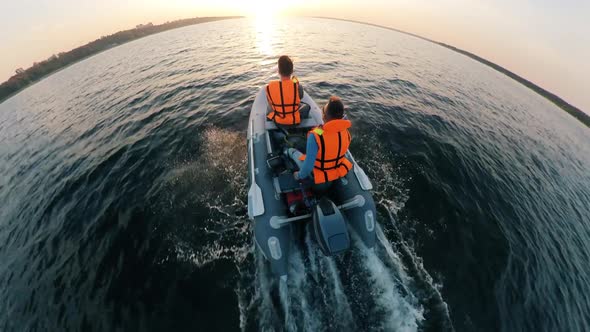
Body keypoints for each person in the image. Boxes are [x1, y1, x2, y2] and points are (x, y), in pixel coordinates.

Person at [286, 96, 353, 188]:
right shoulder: (346, 132)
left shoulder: (314, 136)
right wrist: (318, 130)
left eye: (323, 111)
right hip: (334, 171)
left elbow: (309, 166)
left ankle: (287, 151)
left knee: (290, 151)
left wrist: (298, 175)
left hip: (318, 177)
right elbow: (327, 135)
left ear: (325, 116)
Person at [266, 55, 307, 126]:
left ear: (278, 71)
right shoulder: (297, 85)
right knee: (307, 106)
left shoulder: (270, 86)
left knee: (269, 107)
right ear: (292, 71)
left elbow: (270, 103)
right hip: (294, 120)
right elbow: (300, 97)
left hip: (278, 120)